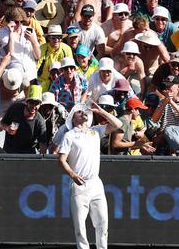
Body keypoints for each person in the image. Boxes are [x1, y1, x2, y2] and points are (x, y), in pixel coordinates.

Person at [58, 102, 121, 249]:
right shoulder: (69, 135)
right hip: (79, 185)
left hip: (95, 183)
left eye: (84, 111)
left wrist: (100, 111)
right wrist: (73, 175)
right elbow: (61, 159)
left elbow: (117, 124)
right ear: (73, 118)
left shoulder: (95, 131)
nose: (83, 113)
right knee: (80, 226)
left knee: (103, 222)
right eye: (79, 112)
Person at [0, 85, 47, 154]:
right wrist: (7, 128)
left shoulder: (40, 122)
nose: (33, 106)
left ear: (40, 105)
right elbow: (2, 124)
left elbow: (43, 145)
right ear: (26, 102)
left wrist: (42, 162)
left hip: (28, 154)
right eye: (31, 103)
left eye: (36, 104)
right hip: (9, 151)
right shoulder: (15, 109)